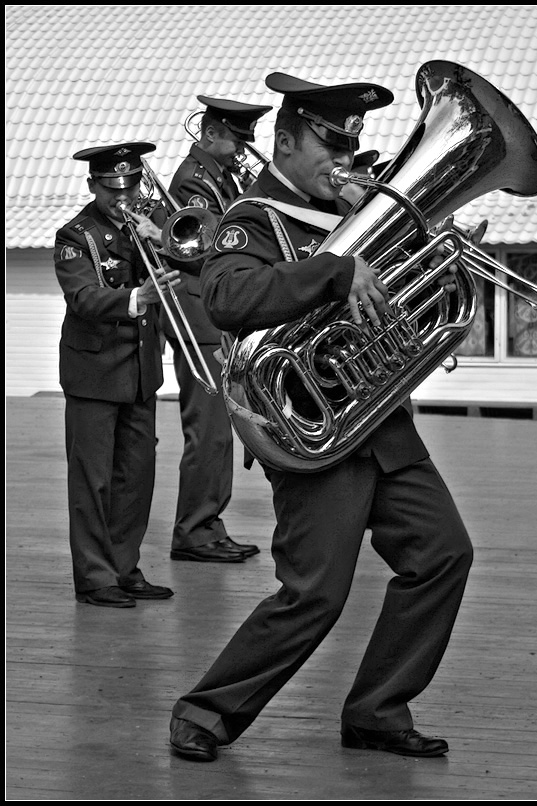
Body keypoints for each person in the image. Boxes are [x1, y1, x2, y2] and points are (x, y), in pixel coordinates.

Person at [169, 74, 473, 760]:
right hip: (312, 428)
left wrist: (427, 256)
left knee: (442, 554)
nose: (345, 155)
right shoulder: (255, 216)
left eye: (352, 142)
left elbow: (385, 311)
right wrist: (334, 267)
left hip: (380, 425)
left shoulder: (351, 211)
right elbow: (226, 297)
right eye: (330, 143)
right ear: (286, 139)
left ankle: (376, 709)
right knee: (315, 594)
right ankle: (205, 711)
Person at [54, 141, 197, 608]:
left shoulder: (147, 225)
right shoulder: (76, 236)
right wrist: (140, 297)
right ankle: (96, 578)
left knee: (136, 478)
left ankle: (124, 568)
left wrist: (162, 240)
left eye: (131, 185)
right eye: (112, 187)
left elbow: (196, 261)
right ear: (92, 185)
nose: (123, 196)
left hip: (139, 372)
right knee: (93, 481)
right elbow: (85, 299)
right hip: (93, 374)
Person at [163, 96, 272, 564]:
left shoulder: (221, 177)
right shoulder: (194, 181)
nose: (240, 150)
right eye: (234, 140)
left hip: (212, 312)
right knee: (209, 431)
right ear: (209, 134)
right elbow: (208, 249)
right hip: (198, 313)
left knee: (219, 430)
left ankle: (206, 524)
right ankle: (195, 529)